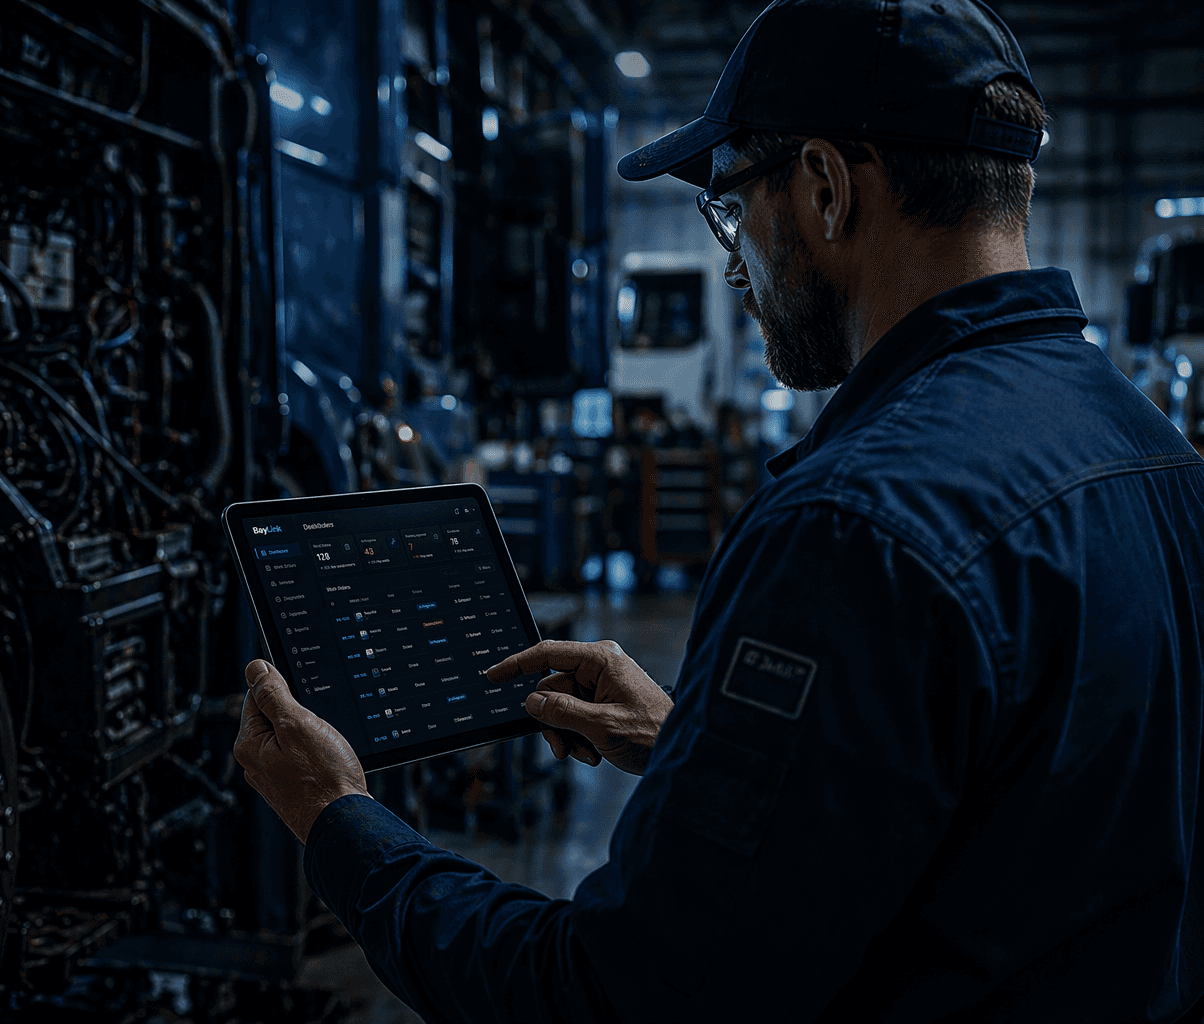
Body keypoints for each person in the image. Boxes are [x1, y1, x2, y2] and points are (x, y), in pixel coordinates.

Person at [233, 1, 1204, 1019]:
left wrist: (342, 823)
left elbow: (617, 998)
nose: (735, 257)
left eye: (733, 202)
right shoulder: (1161, 459)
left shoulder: (854, 526)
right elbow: (1031, 813)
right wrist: (706, 746)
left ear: (825, 189)